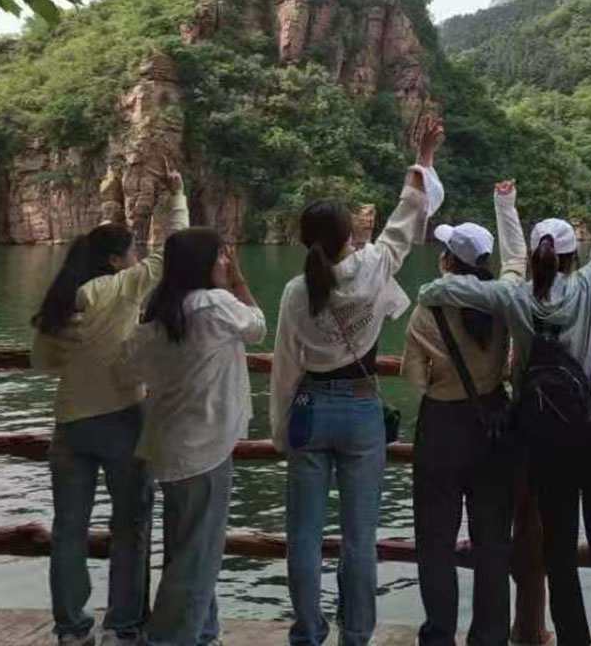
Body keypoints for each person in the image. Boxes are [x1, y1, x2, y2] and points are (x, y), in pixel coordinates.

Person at [417, 142, 591, 646]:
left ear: (534, 257)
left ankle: (574, 639)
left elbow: (446, 290)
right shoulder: (589, 285)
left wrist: (433, 289)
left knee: (558, 550)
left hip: (546, 438)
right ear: (573, 256)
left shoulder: (513, 296)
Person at [271, 115, 446, 646]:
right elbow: (408, 215)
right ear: (350, 235)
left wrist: (281, 431)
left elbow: (285, 366)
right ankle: (357, 634)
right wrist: (424, 157)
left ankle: (308, 632)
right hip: (362, 409)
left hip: (309, 411)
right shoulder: (374, 267)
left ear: (305, 240)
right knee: (359, 538)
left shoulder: (295, 292)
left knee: (303, 537)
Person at [31, 159, 188, 646]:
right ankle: (123, 626)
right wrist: (176, 196)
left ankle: (71, 629)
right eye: (131, 251)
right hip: (122, 419)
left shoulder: (61, 302)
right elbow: (170, 256)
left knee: (68, 530)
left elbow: (43, 363)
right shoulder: (118, 290)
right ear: (116, 261)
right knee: (130, 525)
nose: (137, 256)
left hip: (69, 426)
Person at [116, 229, 266, 646]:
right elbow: (257, 326)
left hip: (169, 446)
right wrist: (239, 283)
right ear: (202, 263)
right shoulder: (215, 305)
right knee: (196, 560)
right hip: (205, 449)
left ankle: (203, 633)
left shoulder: (159, 311)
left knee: (186, 548)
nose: (225, 262)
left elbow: (128, 363)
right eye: (220, 256)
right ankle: (168, 639)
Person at [401, 181, 526, 646]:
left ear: (448, 262)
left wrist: (441, 382)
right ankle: (490, 636)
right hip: (491, 421)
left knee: (435, 539)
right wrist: (506, 205)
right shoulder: (501, 302)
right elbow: (517, 264)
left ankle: (439, 634)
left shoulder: (426, 311)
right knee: (492, 539)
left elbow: (414, 378)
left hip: (441, 426)